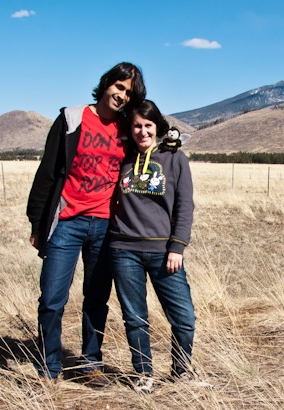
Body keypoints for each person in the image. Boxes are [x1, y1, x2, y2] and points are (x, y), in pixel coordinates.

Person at [26, 62, 146, 385]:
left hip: (105, 226)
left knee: (96, 300)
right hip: (66, 223)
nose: (121, 95)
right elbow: (48, 172)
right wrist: (37, 223)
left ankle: (90, 364)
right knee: (52, 299)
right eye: (119, 87)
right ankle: (48, 367)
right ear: (107, 83)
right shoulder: (72, 119)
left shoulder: (125, 129)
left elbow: (147, 154)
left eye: (128, 93)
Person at [108, 100, 209, 393]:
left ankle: (181, 371)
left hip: (165, 253)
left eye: (148, 126)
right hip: (123, 249)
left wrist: (177, 246)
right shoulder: (122, 157)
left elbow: (184, 205)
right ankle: (144, 374)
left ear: (158, 127)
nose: (142, 132)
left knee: (184, 317)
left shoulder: (175, 158)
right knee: (135, 317)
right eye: (137, 126)